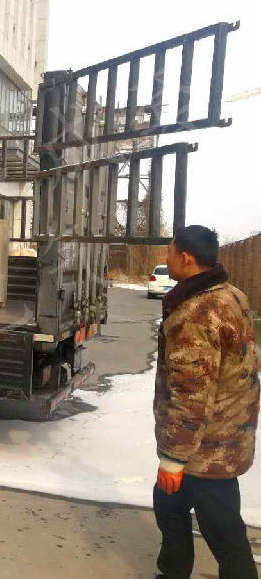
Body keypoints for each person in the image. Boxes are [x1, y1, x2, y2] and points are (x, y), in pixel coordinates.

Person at [153, 224, 260, 579]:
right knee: (168, 505)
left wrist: (174, 458)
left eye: (169, 252)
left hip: (207, 448)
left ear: (185, 258)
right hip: (222, 433)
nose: (166, 258)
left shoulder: (197, 315)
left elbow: (191, 395)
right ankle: (172, 572)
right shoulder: (231, 295)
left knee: (223, 530)